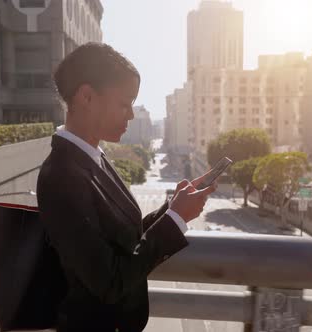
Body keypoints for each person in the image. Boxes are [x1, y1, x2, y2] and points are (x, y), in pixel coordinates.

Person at [36, 43, 217, 332]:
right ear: (87, 96)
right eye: (124, 103)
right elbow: (110, 281)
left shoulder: (93, 157)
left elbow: (122, 238)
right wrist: (175, 220)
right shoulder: (61, 176)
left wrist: (171, 209)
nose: (131, 115)